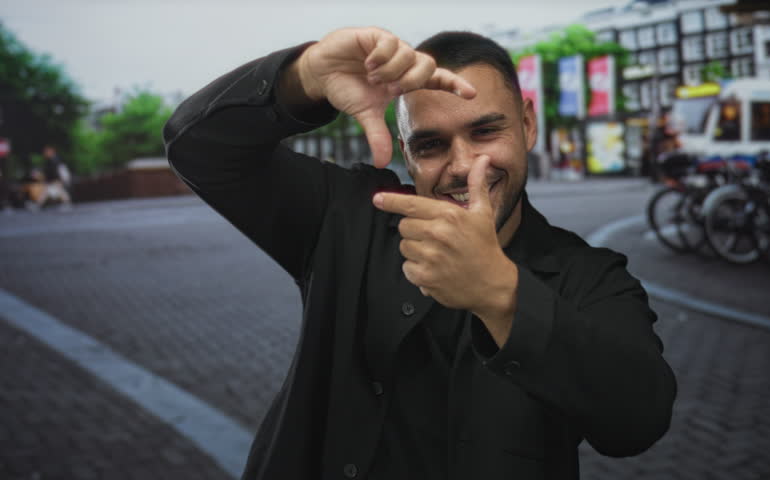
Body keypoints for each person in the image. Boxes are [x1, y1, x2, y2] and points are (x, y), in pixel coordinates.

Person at [163, 27, 676, 480]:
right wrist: (307, 75)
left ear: (527, 124)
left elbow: (637, 421)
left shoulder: (590, 277)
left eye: (485, 131)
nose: (461, 165)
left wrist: (502, 295)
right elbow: (198, 148)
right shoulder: (347, 217)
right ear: (406, 152)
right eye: (430, 145)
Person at [35, 145, 73, 210]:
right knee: (47, 191)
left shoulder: (57, 161)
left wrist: (61, 182)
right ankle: (39, 205)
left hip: (59, 183)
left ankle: (67, 203)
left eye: (47, 151)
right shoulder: (49, 162)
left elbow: (63, 174)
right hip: (53, 183)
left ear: (52, 151)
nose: (45, 153)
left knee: (53, 191)